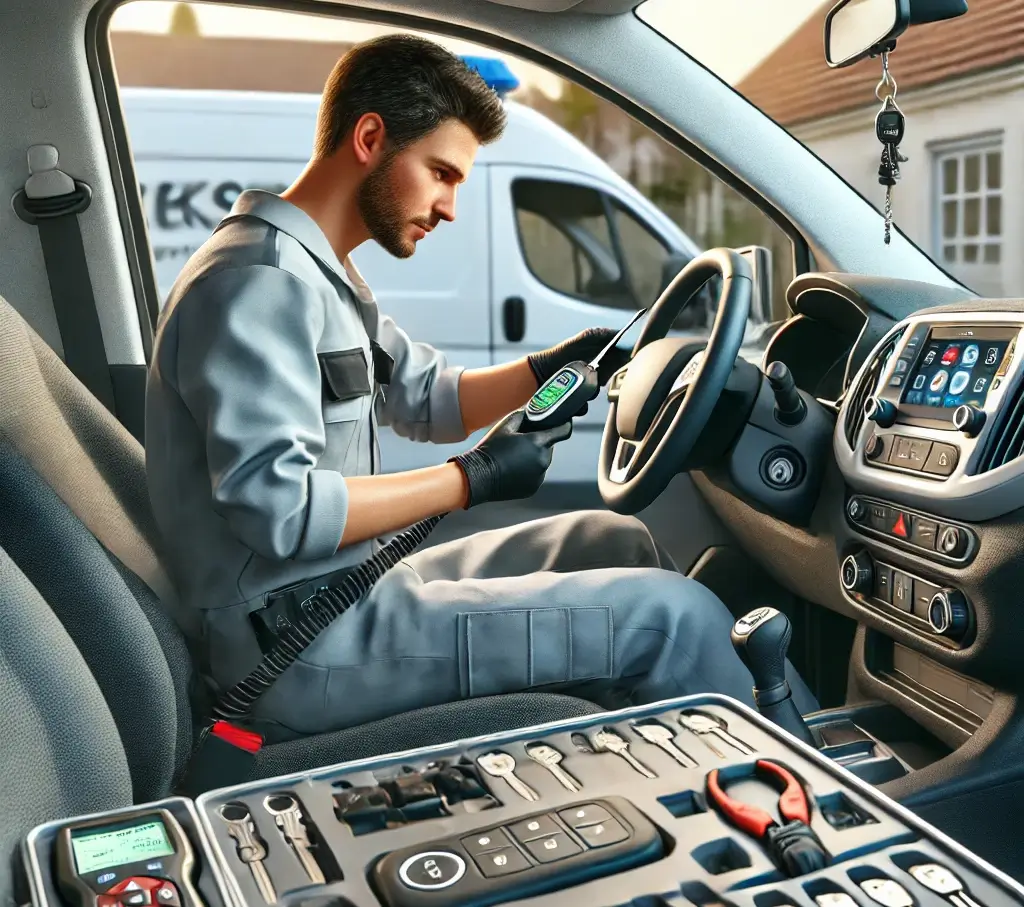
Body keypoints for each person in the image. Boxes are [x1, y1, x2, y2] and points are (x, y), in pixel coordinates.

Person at [145, 33, 816, 736]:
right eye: (442, 173)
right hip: (299, 649)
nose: (450, 206)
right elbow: (281, 510)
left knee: (613, 539)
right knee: (677, 621)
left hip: (345, 592)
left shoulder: (318, 273)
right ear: (370, 137)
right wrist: (470, 478)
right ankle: (826, 792)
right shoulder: (259, 284)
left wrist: (547, 368)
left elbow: (430, 397)